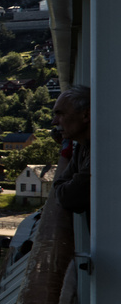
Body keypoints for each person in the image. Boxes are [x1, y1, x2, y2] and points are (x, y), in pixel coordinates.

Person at [51, 84, 91, 214]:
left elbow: (69, 197)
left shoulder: (102, 154)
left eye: (60, 114)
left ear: (85, 115)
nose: (54, 122)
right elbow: (59, 185)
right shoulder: (82, 147)